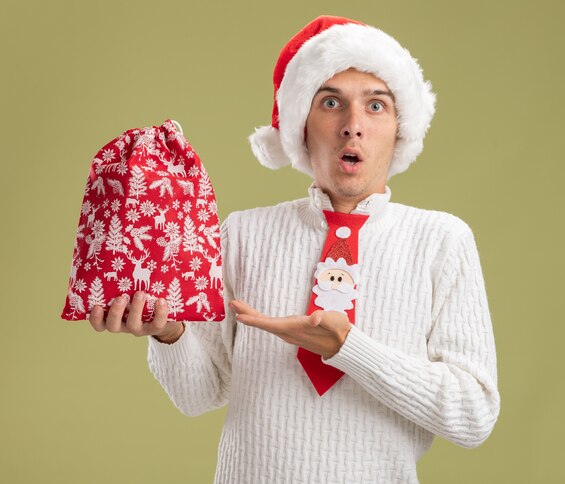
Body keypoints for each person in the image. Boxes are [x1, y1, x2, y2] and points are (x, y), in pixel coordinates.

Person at [88, 16, 500, 483]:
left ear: (400, 129)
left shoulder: (442, 242)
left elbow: (473, 415)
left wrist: (349, 348)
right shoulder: (242, 234)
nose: (353, 126)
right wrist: (170, 335)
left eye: (376, 105)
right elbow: (199, 394)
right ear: (302, 124)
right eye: (331, 102)